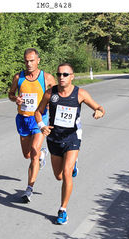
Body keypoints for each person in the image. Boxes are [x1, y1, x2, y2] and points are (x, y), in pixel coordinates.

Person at [35, 63, 105, 225]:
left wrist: (99, 111)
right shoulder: (50, 93)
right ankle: (65, 163)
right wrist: (42, 126)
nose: (61, 77)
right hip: (54, 139)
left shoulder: (80, 93)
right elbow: (38, 112)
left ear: (72, 76)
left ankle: (63, 210)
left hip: (72, 138)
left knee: (66, 173)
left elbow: (99, 107)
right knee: (58, 176)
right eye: (59, 74)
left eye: (65, 74)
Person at [8, 48, 56, 203]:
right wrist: (15, 99)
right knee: (27, 154)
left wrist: (49, 105)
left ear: (38, 60)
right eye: (26, 61)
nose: (29, 64)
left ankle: (29, 189)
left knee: (34, 151)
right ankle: (43, 154)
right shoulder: (18, 77)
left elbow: (57, 96)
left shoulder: (47, 78)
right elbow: (10, 94)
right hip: (23, 119)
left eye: (32, 60)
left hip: (39, 119)